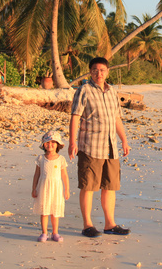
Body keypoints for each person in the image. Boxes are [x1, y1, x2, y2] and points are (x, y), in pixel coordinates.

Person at [68, 57, 131, 238]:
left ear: (107, 72)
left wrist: (124, 140)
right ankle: (87, 224)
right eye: (95, 70)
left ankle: (110, 224)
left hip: (111, 147)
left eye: (102, 70)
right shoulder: (84, 90)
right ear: (90, 72)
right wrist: (72, 142)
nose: (99, 74)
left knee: (109, 186)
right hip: (90, 146)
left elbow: (116, 118)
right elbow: (75, 116)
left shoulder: (112, 92)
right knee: (88, 186)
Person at [32, 131, 70, 242]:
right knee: (44, 211)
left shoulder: (61, 159)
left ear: (58, 144)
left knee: (55, 212)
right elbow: (36, 175)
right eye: (47, 142)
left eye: (53, 142)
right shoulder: (41, 158)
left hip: (57, 189)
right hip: (44, 188)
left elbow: (64, 175)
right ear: (43, 144)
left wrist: (66, 189)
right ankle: (44, 233)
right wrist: (34, 188)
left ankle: (55, 233)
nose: (50, 145)